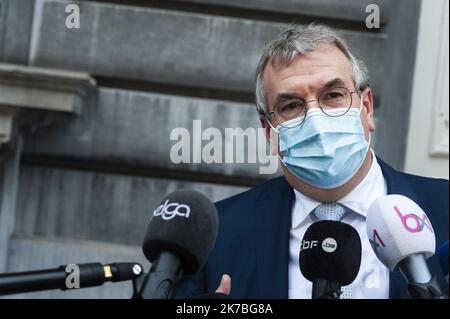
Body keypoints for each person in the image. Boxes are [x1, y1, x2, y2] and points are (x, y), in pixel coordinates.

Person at [174, 23, 449, 299]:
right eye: (291, 106)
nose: (316, 121)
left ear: (366, 108)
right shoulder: (215, 236)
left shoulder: (444, 207)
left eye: (333, 95)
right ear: (269, 131)